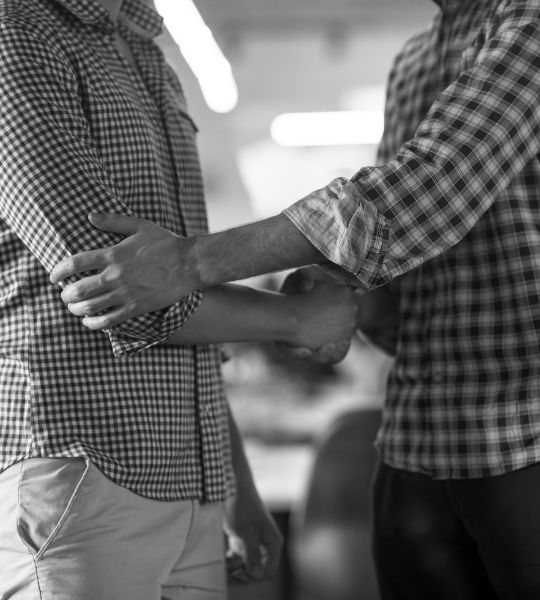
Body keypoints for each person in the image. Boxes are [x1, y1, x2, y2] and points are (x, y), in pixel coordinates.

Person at [53, 0, 540, 598]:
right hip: (417, 439)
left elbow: (425, 188)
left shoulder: (528, 23)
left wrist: (191, 261)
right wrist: (340, 302)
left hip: (523, 438)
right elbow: (408, 253)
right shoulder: (414, 60)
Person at [0, 0, 359, 598]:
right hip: (85, 463)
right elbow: (113, 287)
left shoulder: (147, 51)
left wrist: (233, 484)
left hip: (191, 484)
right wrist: (295, 318)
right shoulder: (16, 32)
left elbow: (175, 282)